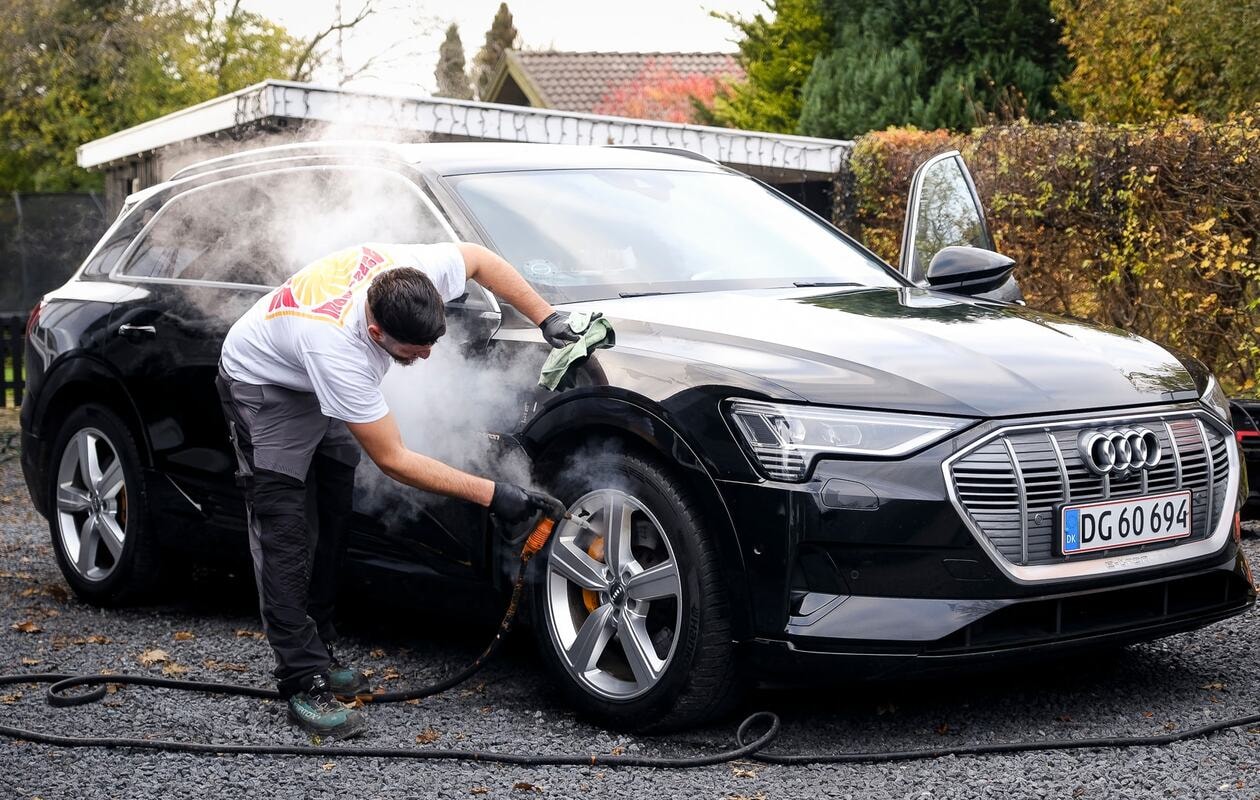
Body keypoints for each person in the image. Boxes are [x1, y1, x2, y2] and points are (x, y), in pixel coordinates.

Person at [215, 240, 577, 740]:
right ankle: (302, 677)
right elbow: (393, 460)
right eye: (414, 350)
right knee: (286, 529)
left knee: (335, 509)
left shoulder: (410, 274)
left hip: (313, 369)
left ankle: (319, 644)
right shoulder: (337, 348)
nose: (427, 357)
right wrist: (496, 496)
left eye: (432, 342)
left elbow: (478, 258)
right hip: (266, 387)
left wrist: (547, 317)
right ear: (376, 331)